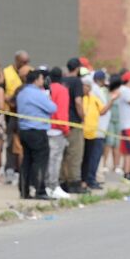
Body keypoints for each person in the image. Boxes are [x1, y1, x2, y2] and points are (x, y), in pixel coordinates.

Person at [15, 69, 56, 199]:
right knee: (40, 161)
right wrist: (48, 96)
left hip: (24, 130)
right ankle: (40, 190)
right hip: (37, 130)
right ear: (37, 79)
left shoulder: (21, 93)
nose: (43, 81)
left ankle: (24, 190)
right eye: (42, 78)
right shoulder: (37, 94)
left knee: (26, 161)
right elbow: (52, 108)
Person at [80, 75, 117, 189]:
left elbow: (102, 111)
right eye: (84, 86)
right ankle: (84, 180)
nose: (86, 88)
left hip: (93, 133)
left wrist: (111, 101)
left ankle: (89, 180)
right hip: (82, 133)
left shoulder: (93, 98)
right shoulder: (80, 98)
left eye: (88, 86)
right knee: (84, 158)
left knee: (91, 158)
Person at [3, 50, 28, 183]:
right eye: (23, 61)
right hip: (11, 114)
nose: (25, 64)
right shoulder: (6, 72)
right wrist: (7, 99)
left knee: (22, 145)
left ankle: (20, 170)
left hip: (26, 115)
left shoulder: (29, 71)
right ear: (16, 60)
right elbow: (1, 90)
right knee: (11, 143)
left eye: (27, 62)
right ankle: (10, 168)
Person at [45, 67, 71, 199]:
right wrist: (66, 129)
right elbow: (61, 112)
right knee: (55, 159)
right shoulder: (62, 90)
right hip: (57, 129)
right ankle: (53, 186)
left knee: (47, 159)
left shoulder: (46, 89)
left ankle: (46, 185)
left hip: (45, 127)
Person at [61, 58, 86, 193]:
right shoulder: (77, 82)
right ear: (77, 68)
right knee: (75, 154)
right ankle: (74, 182)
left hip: (61, 121)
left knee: (63, 154)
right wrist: (82, 116)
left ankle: (62, 181)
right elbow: (78, 101)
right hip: (74, 122)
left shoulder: (62, 80)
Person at [102, 74, 123, 175]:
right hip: (109, 120)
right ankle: (104, 164)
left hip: (119, 120)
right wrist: (113, 98)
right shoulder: (106, 93)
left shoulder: (121, 93)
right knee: (109, 142)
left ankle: (116, 165)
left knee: (117, 143)